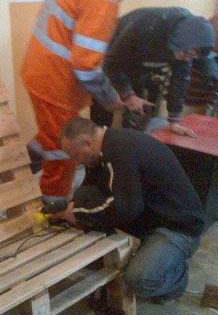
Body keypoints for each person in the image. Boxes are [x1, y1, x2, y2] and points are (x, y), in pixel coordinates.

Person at [22, 0, 159, 203]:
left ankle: (19, 168)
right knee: (65, 151)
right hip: (55, 83)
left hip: (40, 71)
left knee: (50, 135)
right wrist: (108, 98)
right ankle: (55, 207)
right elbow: (85, 64)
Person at [58, 117, 205, 302]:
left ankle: (177, 278)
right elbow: (90, 191)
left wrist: (77, 212)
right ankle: (145, 254)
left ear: (88, 143)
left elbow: (126, 209)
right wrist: (72, 206)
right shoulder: (104, 149)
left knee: (140, 280)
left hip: (178, 228)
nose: (77, 163)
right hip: (151, 216)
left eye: (76, 156)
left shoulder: (119, 151)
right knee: (84, 196)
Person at [90, 7, 217, 137]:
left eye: (192, 56)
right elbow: (111, 63)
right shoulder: (145, 26)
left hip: (140, 64)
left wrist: (174, 121)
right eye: (186, 54)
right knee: (104, 105)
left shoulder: (187, 41)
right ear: (176, 41)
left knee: (137, 111)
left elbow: (180, 80)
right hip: (112, 50)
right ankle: (96, 140)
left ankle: (129, 140)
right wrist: (128, 95)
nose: (187, 59)